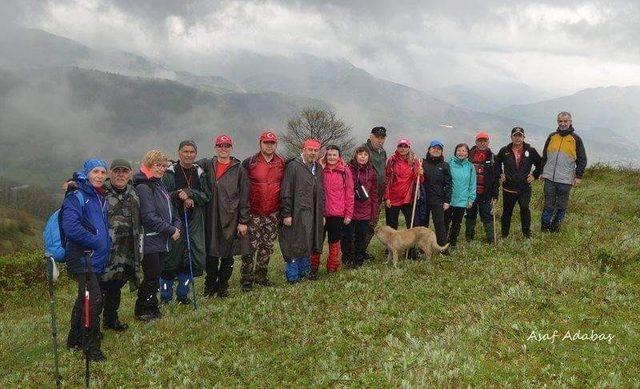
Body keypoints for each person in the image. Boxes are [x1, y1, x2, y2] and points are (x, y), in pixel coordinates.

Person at [61, 158, 111, 362]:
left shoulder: (100, 196)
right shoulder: (77, 195)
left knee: (84, 298)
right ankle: (91, 348)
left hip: (94, 257)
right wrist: (96, 241)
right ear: (86, 173)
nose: (99, 175)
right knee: (94, 301)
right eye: (95, 172)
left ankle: (74, 339)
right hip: (83, 257)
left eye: (102, 172)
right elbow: (70, 226)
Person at [199, 134, 251, 297]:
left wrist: (243, 221)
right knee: (211, 253)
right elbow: (188, 167)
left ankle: (223, 286)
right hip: (210, 216)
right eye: (220, 146)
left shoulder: (239, 169)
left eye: (226, 146)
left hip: (231, 217)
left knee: (227, 254)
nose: (223, 149)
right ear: (216, 148)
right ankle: (209, 286)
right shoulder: (207, 165)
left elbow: (244, 196)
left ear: (231, 148)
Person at [133, 150, 181, 321]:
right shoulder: (144, 186)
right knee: (151, 277)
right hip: (150, 240)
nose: (161, 169)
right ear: (148, 164)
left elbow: (172, 211)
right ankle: (144, 310)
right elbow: (149, 217)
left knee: (154, 276)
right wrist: (171, 230)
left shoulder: (159, 185)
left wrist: (176, 225)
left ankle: (151, 307)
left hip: (161, 239)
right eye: (157, 165)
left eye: (163, 165)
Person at [160, 140, 210, 304]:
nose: (188, 155)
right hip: (174, 222)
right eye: (185, 151)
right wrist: (178, 195)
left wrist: (190, 193)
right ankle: (166, 296)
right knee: (170, 260)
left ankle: (183, 294)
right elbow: (163, 196)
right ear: (179, 153)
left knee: (191, 258)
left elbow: (206, 196)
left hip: (194, 221)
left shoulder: (199, 172)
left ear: (195, 154)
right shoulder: (170, 173)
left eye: (191, 152)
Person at [240, 130, 285, 292]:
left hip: (273, 212)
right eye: (266, 142)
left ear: (276, 145)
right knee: (250, 247)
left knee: (267, 246)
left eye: (272, 143)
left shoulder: (281, 162)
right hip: (254, 211)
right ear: (260, 143)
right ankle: (246, 279)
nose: (269, 145)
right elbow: (242, 188)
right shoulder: (249, 162)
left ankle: (261, 275)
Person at [100, 159, 141, 332]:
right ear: (110, 173)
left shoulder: (134, 193)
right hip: (105, 254)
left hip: (126, 253)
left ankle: (111, 320)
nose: (120, 174)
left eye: (124, 171)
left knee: (115, 289)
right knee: (98, 291)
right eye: (117, 171)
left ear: (130, 174)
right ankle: (91, 326)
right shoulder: (101, 193)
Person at [279, 138, 324, 283]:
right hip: (295, 211)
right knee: (294, 242)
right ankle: (292, 275)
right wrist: (286, 213)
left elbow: (321, 193)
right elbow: (286, 190)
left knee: (307, 241)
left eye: (315, 150)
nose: (312, 153)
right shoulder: (293, 166)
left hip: (312, 212)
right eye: (310, 150)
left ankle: (305, 270)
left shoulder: (318, 169)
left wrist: (321, 214)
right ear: (304, 150)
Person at [310, 145, 354, 278]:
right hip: (320, 213)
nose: (332, 157)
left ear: (339, 156)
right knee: (317, 241)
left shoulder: (345, 171)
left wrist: (348, 213)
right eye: (329, 155)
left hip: (337, 213)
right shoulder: (318, 169)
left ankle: (332, 267)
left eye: (334, 155)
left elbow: (350, 193)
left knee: (334, 241)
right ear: (325, 155)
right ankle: (313, 267)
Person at [540, 112, 587, 232]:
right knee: (548, 205)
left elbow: (582, 159)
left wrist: (578, 176)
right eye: (560, 121)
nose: (563, 123)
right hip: (549, 178)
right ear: (557, 122)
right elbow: (545, 156)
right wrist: (541, 172)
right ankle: (545, 227)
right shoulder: (552, 137)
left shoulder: (576, 139)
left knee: (561, 206)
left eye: (566, 121)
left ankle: (556, 228)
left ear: (570, 122)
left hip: (566, 180)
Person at [495, 127, 542, 238]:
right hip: (508, 188)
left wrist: (534, 175)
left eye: (519, 135)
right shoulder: (504, 150)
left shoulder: (530, 150)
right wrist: (500, 174)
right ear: (511, 137)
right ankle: (504, 235)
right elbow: (497, 163)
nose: (517, 138)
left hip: (524, 188)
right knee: (507, 212)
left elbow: (540, 163)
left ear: (523, 137)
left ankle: (526, 234)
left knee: (525, 209)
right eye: (515, 135)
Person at [342, 146, 378, 268]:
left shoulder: (372, 172)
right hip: (350, 209)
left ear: (369, 157)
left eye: (365, 155)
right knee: (346, 237)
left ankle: (358, 260)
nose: (363, 157)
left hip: (365, 210)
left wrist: (374, 213)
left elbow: (374, 193)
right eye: (360, 154)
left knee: (361, 237)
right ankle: (347, 258)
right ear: (355, 156)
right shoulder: (347, 169)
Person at [416, 140, 452, 247]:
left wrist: (447, 201)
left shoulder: (445, 165)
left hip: (438, 199)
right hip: (423, 199)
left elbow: (449, 184)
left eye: (439, 149)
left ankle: (442, 248)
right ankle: (423, 247)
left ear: (441, 152)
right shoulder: (422, 163)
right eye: (434, 148)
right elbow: (416, 179)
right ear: (429, 150)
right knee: (423, 224)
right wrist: (419, 172)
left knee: (439, 224)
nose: (436, 150)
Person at [465, 132, 499, 243]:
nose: (482, 143)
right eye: (480, 141)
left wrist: (495, 195)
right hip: (471, 192)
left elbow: (496, 178)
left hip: (486, 193)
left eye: (485, 141)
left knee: (486, 216)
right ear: (476, 142)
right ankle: (469, 237)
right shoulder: (468, 155)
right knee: (470, 215)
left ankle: (491, 238)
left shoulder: (493, 157)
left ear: (488, 142)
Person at [384, 138, 423, 231]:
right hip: (393, 198)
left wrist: (420, 174)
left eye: (406, 146)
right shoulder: (392, 160)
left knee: (412, 224)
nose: (403, 148)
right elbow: (387, 179)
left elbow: (419, 181)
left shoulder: (414, 161)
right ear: (397, 147)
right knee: (391, 226)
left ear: (409, 148)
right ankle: (392, 245)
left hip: (408, 198)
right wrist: (387, 197)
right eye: (400, 146)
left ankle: (411, 245)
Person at [362, 126, 387, 259]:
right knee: (361, 224)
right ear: (371, 136)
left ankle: (362, 250)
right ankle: (354, 253)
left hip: (378, 196)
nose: (380, 140)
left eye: (382, 138)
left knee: (372, 223)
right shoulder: (363, 150)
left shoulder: (382, 153)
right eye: (377, 137)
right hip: (365, 196)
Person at [446, 144, 476, 248]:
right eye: (459, 150)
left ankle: (452, 242)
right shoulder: (449, 164)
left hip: (462, 200)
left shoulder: (470, 167)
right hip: (449, 200)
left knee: (456, 223)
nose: (461, 153)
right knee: (445, 222)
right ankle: (442, 242)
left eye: (464, 151)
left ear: (468, 153)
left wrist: (471, 199)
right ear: (455, 152)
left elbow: (472, 184)